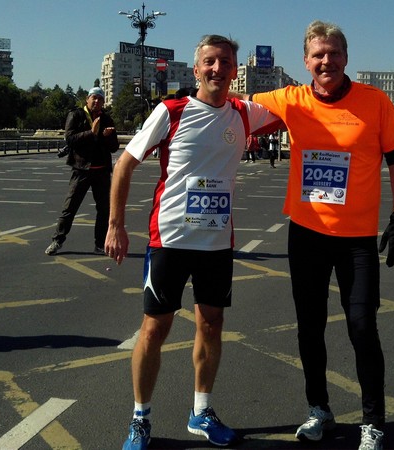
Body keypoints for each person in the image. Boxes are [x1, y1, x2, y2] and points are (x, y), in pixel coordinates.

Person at [235, 20, 394, 450]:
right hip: (307, 234)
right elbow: (233, 107)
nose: (326, 60)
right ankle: (319, 409)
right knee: (309, 328)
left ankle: (373, 422)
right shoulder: (289, 99)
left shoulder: (374, 101)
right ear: (306, 61)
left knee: (362, 326)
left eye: (333, 53)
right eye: (318, 54)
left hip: (357, 240)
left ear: (346, 58)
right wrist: (178, 106)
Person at [106, 35, 280, 450]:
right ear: (197, 68)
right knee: (154, 328)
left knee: (211, 325)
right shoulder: (171, 111)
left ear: (235, 71)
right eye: (210, 62)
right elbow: (124, 165)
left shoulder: (245, 113)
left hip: (216, 244)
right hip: (169, 239)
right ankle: (140, 418)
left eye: (226, 62)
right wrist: (115, 225)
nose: (218, 69)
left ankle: (201, 411)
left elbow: (299, 109)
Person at [45, 87, 119, 256]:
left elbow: (114, 147)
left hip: (101, 171)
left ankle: (100, 244)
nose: (97, 101)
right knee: (70, 207)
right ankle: (57, 240)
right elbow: (70, 139)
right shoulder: (76, 115)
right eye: (94, 98)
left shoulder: (106, 118)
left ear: (103, 102)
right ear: (87, 99)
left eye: (100, 99)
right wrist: (91, 132)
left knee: (104, 210)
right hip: (81, 169)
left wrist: (107, 137)